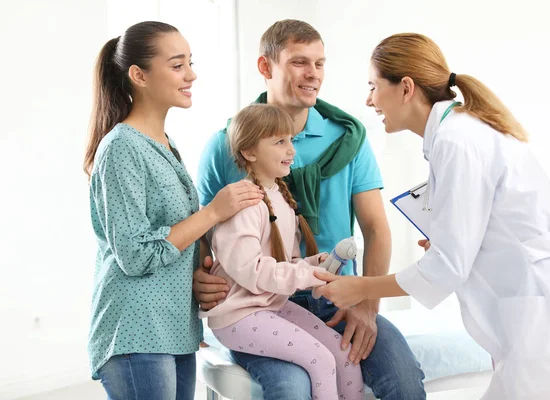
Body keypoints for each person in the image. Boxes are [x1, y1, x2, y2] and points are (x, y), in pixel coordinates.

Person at [313, 32, 550, 400]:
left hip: (547, 311)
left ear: (405, 88)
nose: (368, 100)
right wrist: (452, 239)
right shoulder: (457, 133)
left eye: (373, 86)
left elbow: (447, 266)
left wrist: (361, 288)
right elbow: (484, 233)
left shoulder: (456, 140)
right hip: (536, 308)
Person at [194, 19, 425, 400]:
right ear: (265, 68)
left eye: (320, 64)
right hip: (256, 302)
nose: (313, 74)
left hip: (340, 294)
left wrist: (367, 307)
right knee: (289, 386)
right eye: (300, 62)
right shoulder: (226, 144)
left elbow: (376, 228)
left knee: (402, 377)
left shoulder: (348, 138)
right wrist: (199, 280)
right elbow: (206, 231)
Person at [85, 21, 263, 400]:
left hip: (175, 329)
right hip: (135, 330)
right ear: (139, 76)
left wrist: (203, 267)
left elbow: (173, 236)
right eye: (178, 65)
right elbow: (134, 255)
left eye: (190, 63)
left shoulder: (166, 145)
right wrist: (213, 213)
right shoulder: (120, 148)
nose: (191, 75)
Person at [200, 103, 365, 400]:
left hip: (268, 305)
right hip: (239, 314)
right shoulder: (244, 204)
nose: (291, 150)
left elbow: (287, 262)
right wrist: (305, 274)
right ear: (250, 152)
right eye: (279, 142)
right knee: (322, 360)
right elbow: (253, 271)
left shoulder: (282, 200)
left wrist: (317, 264)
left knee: (345, 356)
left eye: (290, 140)